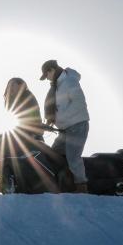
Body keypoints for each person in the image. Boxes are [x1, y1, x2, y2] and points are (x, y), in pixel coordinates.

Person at [40, 60, 90, 193]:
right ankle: (61, 183)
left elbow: (79, 102)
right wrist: (52, 122)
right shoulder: (57, 86)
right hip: (65, 129)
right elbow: (59, 108)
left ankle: (82, 187)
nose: (47, 79)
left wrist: (62, 120)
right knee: (54, 154)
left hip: (77, 126)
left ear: (51, 70)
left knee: (73, 158)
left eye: (46, 75)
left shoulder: (69, 81)